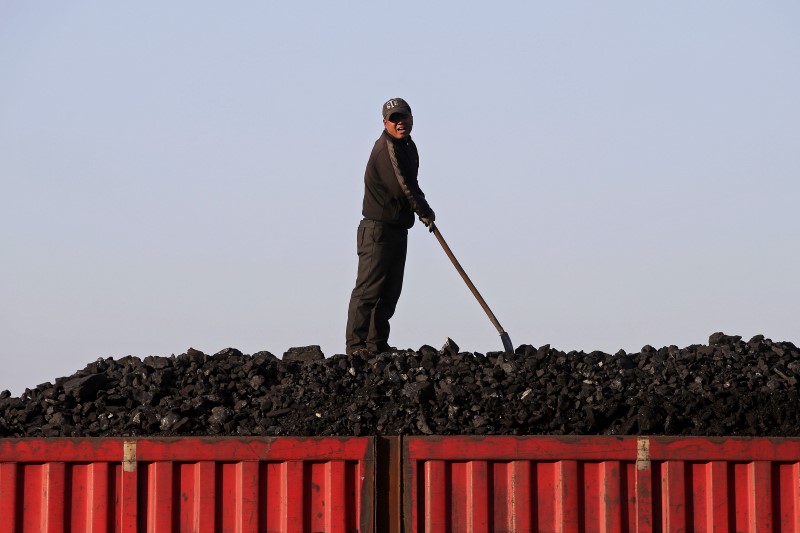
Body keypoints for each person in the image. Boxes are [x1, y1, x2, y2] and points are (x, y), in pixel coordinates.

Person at [345, 98, 435, 355]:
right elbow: (402, 188)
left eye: (403, 117)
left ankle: (376, 344)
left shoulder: (408, 146)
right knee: (369, 290)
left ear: (411, 118)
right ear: (385, 123)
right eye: (394, 119)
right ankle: (356, 346)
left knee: (390, 291)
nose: (400, 123)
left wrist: (424, 209)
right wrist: (423, 210)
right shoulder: (387, 150)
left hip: (397, 228)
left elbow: (412, 183)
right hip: (377, 230)